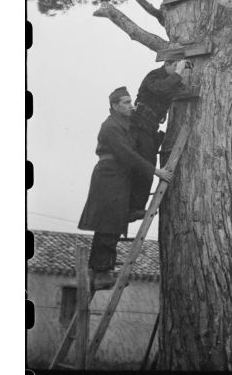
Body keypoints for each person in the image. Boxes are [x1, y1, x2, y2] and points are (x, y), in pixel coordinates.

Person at [78, 86, 173, 289]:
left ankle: (102, 271)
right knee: (108, 224)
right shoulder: (111, 126)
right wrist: (156, 171)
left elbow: (138, 144)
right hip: (109, 175)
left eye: (131, 101)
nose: (131, 106)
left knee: (112, 221)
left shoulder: (125, 123)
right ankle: (101, 273)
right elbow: (126, 154)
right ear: (115, 105)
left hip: (118, 175)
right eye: (126, 102)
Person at [128, 59, 187, 217]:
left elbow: (181, 90)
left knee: (147, 165)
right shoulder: (153, 76)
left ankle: (135, 207)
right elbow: (161, 88)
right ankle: (133, 208)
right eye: (175, 66)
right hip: (138, 125)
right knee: (144, 165)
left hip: (150, 128)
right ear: (167, 64)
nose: (177, 70)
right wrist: (178, 73)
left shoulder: (169, 80)